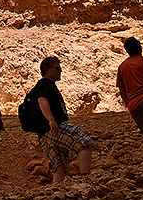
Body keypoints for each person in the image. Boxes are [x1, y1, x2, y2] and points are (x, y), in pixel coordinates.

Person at [27, 56, 95, 184]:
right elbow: (42, 100)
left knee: (60, 168)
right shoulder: (46, 83)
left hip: (44, 136)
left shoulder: (42, 85)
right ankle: (86, 183)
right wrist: (51, 120)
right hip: (55, 127)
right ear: (47, 69)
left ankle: (56, 195)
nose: (61, 71)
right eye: (57, 68)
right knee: (85, 144)